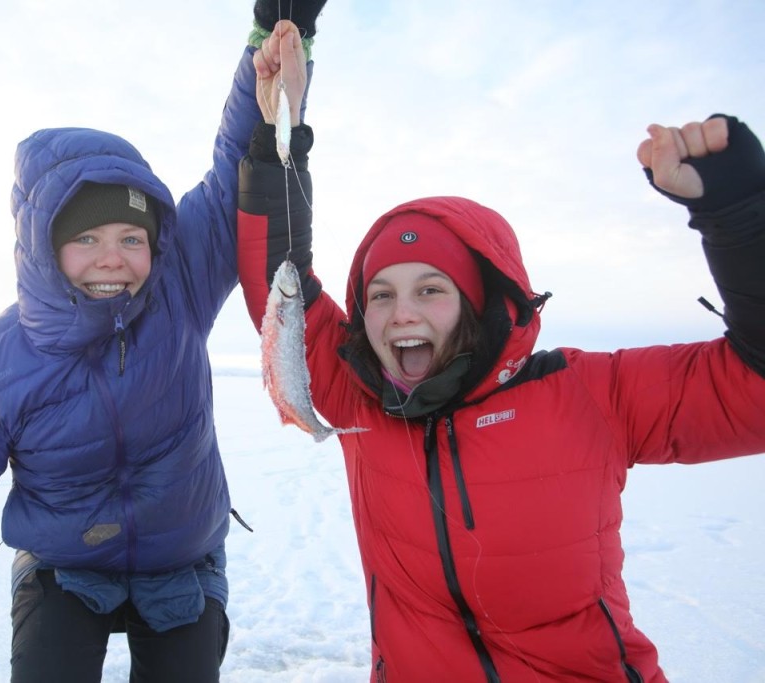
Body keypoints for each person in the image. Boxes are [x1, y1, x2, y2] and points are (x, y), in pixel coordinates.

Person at [237, 46, 765, 681]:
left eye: (430, 289)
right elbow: (282, 291)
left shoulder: (589, 394)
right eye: (381, 295)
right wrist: (279, 134)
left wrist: (741, 219)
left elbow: (752, 389)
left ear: (478, 301)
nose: (401, 314)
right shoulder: (360, 398)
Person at [0, 4, 328, 682]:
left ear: (155, 242)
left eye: (130, 238)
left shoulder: (178, 285)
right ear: (44, 246)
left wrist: (277, 36)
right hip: (64, 565)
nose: (112, 258)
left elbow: (238, 166)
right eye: (85, 238)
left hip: (183, 556)